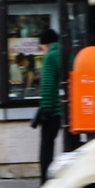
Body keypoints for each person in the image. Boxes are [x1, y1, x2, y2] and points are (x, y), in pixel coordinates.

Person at [34, 34, 69, 180]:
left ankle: (45, 180)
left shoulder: (50, 57)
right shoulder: (66, 53)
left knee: (46, 147)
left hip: (52, 109)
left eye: (41, 47)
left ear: (46, 44)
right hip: (66, 108)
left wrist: (45, 109)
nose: (41, 50)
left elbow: (47, 86)